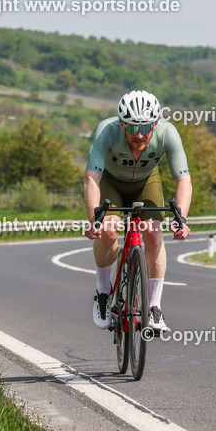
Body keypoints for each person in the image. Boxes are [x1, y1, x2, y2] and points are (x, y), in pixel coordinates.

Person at [83, 90, 192, 332]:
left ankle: (154, 307)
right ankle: (103, 292)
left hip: (146, 181)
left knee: (153, 233)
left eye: (145, 127)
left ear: (156, 123)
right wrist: (94, 219)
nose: (139, 134)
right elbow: (92, 178)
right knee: (109, 231)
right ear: (122, 124)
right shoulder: (107, 131)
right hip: (111, 182)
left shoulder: (167, 133)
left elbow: (183, 180)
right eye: (132, 128)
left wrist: (181, 218)